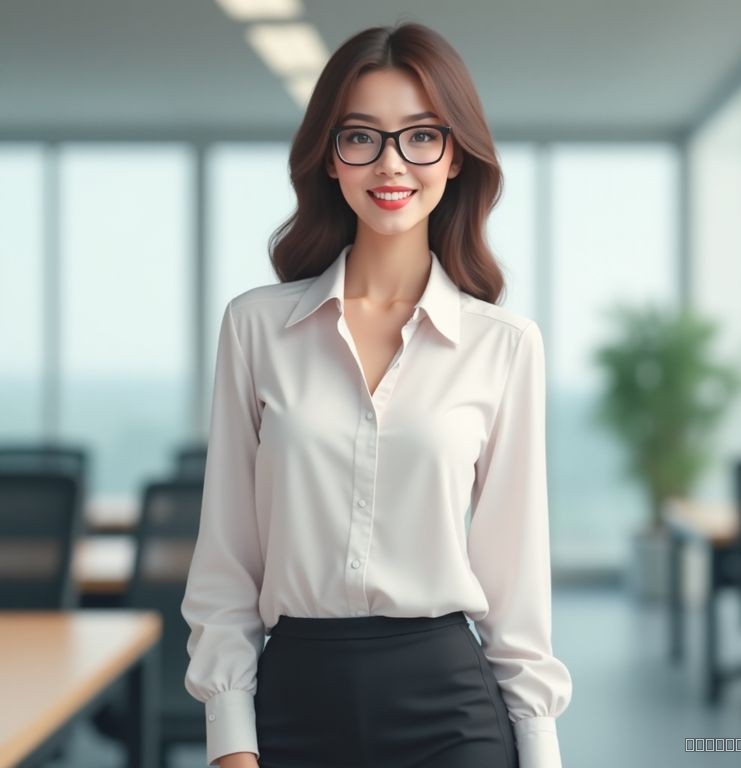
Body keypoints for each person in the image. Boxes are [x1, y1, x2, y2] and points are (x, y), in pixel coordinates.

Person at [180, 20, 573, 768]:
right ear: (329, 158)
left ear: (455, 155)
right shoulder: (256, 328)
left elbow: (516, 581)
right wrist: (230, 739)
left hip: (450, 709)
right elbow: (226, 561)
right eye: (361, 137)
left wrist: (541, 750)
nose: (391, 163)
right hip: (292, 703)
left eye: (420, 136)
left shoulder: (505, 345)